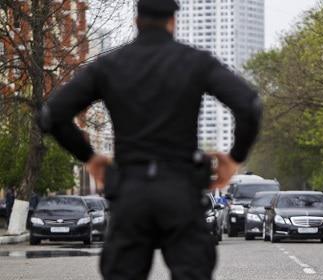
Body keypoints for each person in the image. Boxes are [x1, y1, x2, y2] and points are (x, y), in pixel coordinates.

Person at [39, 0, 262, 279]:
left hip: (130, 193)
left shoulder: (109, 66)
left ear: (136, 21)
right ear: (173, 21)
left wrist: (89, 157)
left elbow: (52, 115)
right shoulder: (195, 62)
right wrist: (235, 157)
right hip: (181, 190)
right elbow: (250, 106)